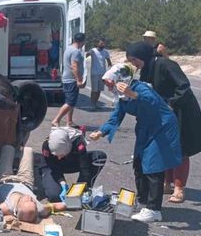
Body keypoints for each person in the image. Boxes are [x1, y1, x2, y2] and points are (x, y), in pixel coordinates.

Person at [89, 66, 182, 223]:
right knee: (138, 163)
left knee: (153, 166)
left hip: (162, 127)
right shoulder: (122, 97)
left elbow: (152, 101)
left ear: (121, 79)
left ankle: (154, 210)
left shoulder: (140, 87)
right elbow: (116, 116)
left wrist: (132, 94)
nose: (108, 87)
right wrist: (101, 132)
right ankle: (143, 201)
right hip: (146, 128)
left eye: (110, 83)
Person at [125, 41, 201, 203]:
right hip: (163, 112)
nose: (134, 64)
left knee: (179, 148)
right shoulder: (146, 69)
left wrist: (170, 103)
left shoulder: (166, 64)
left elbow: (184, 86)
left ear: (142, 55)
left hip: (181, 111)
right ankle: (167, 183)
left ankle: (179, 189)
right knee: (162, 146)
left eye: (134, 60)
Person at [0, 145, 66, 223]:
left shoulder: (6, 207)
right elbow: (56, 206)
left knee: (8, 148)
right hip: (25, 181)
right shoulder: (39, 208)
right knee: (28, 150)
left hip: (4, 180)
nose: (30, 198)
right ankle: (17, 159)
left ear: (18, 207)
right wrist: (75, 202)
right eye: (33, 202)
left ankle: (13, 158)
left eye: (27, 201)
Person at [40, 127, 107, 202]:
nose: (59, 157)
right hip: (52, 167)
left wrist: (80, 187)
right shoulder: (46, 146)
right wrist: (62, 183)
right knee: (54, 196)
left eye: (61, 154)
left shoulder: (78, 142)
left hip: (71, 161)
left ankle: (84, 189)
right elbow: (53, 168)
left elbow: (84, 166)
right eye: (56, 155)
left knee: (99, 157)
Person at [51, 33, 86, 127]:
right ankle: (56, 120)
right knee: (70, 102)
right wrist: (79, 79)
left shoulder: (68, 49)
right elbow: (74, 66)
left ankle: (69, 121)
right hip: (71, 79)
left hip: (67, 78)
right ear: (82, 41)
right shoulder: (76, 52)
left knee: (71, 102)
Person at [85, 38, 112, 109]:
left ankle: (96, 103)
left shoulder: (105, 52)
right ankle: (92, 104)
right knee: (94, 90)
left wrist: (111, 69)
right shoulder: (93, 51)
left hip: (102, 74)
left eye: (104, 43)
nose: (103, 44)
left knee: (99, 90)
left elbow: (109, 61)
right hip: (94, 73)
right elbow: (86, 55)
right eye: (101, 43)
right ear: (97, 43)